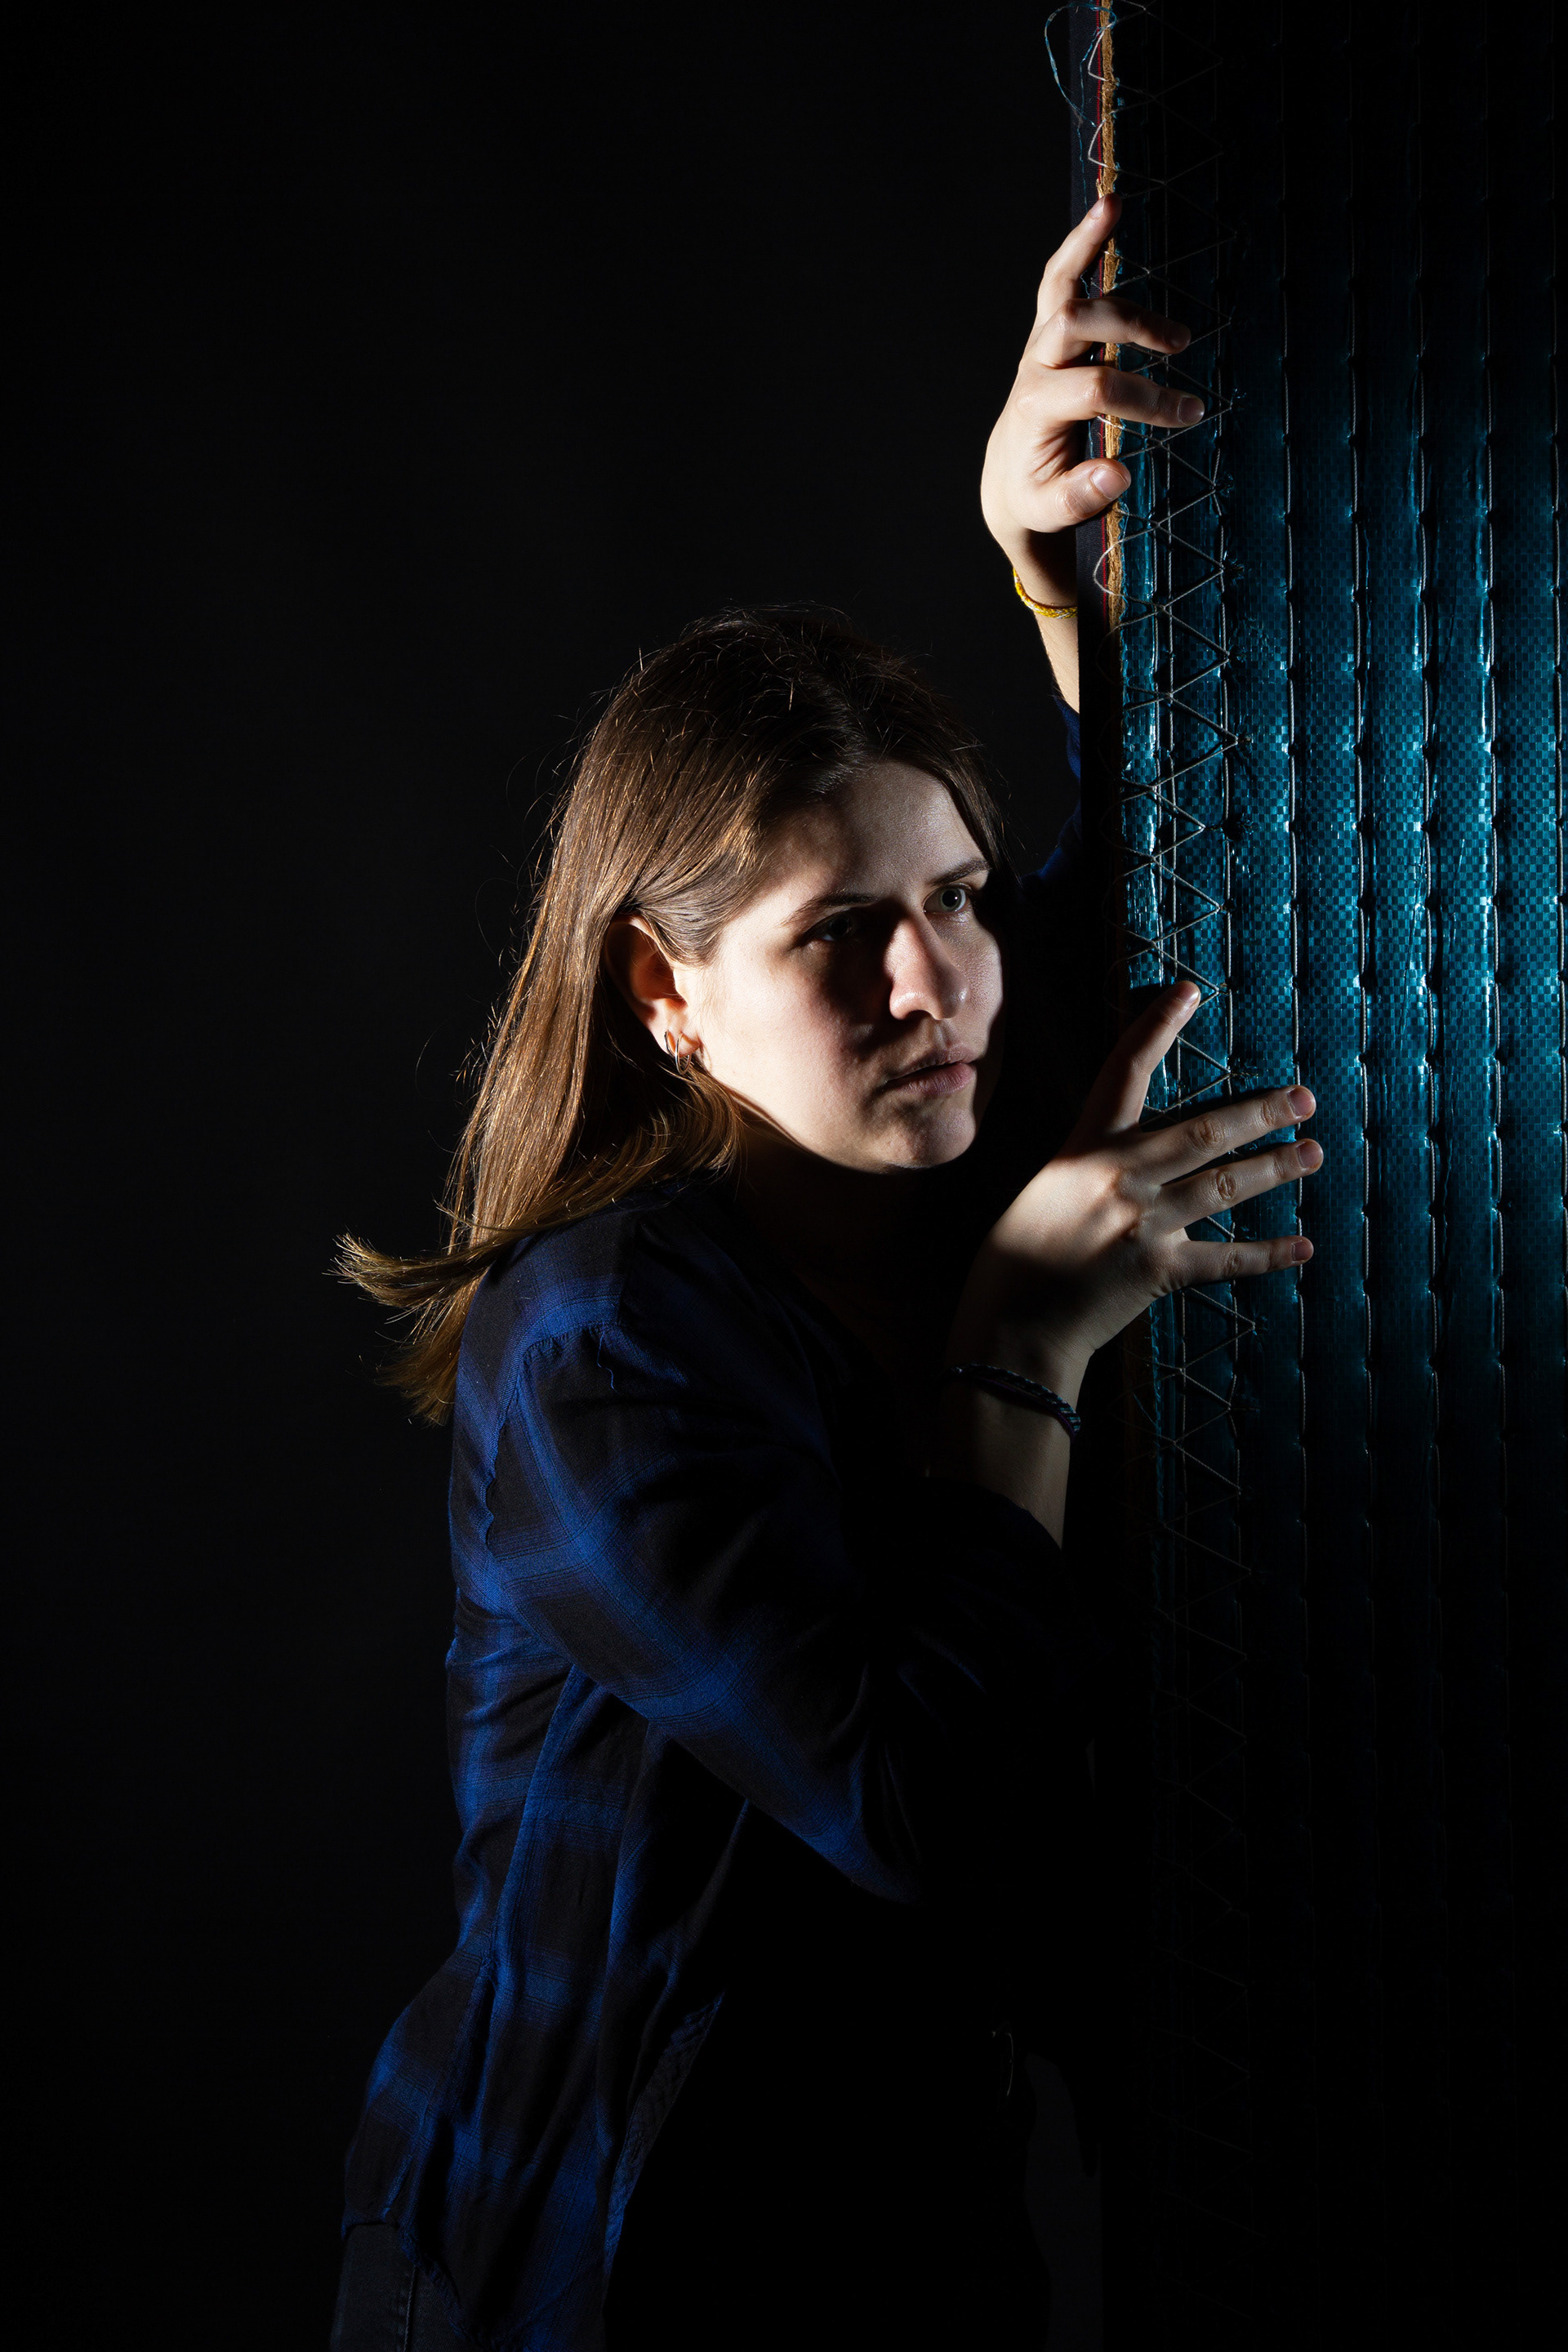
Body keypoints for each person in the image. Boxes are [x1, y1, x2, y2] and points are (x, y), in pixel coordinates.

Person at [328, 194, 1323, 2352]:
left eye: (954, 897)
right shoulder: (602, 1337)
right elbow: (916, 1810)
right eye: (836, 938)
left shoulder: (954, 1113)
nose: (932, 983)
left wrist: (1060, 585)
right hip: (599, 2281)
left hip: (916, 2252)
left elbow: (1191, 891)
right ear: (665, 995)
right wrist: (1022, 1353)